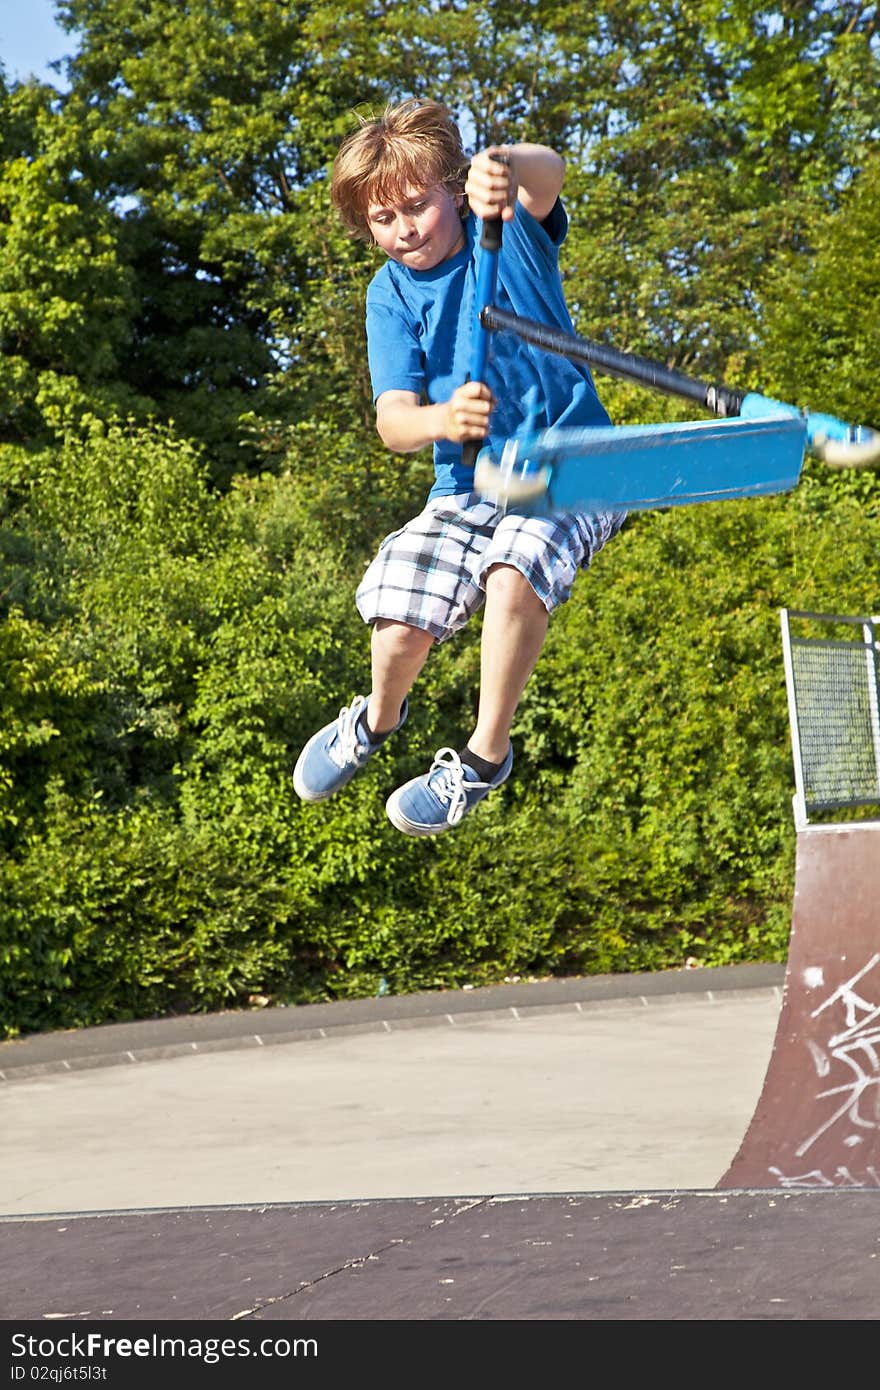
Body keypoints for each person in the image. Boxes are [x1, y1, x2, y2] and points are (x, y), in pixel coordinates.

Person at [293, 98, 624, 836]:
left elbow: (550, 174)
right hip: (468, 484)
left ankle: (481, 760)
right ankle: (375, 721)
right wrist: (442, 420)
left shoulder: (504, 233)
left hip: (576, 463)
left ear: (452, 187)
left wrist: (502, 165)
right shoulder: (388, 294)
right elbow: (392, 421)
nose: (405, 229)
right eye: (383, 219)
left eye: (418, 206)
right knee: (400, 613)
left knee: (515, 569)